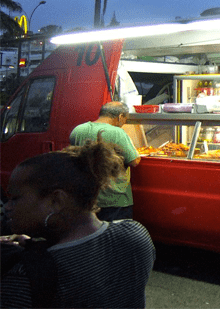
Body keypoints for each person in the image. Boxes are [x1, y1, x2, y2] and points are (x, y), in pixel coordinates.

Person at [1, 140, 155, 308]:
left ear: (56, 201)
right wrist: (35, 247)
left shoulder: (25, 278)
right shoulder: (135, 235)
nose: (7, 207)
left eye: (15, 198)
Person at [70, 101, 141, 221]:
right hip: (114, 199)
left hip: (88, 197)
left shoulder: (77, 130)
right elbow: (134, 161)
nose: (123, 124)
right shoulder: (117, 133)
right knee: (116, 236)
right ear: (120, 117)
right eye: (125, 120)